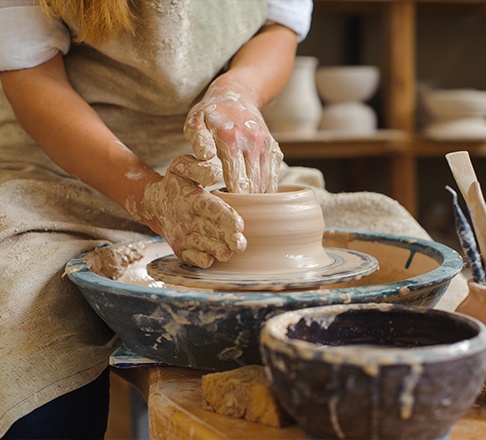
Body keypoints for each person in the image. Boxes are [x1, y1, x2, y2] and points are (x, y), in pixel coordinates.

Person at [0, 1, 466, 438]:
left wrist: (235, 91)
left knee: (414, 269)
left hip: (219, 165)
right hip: (62, 169)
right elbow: (30, 74)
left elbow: (278, 27)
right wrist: (145, 194)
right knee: (23, 331)